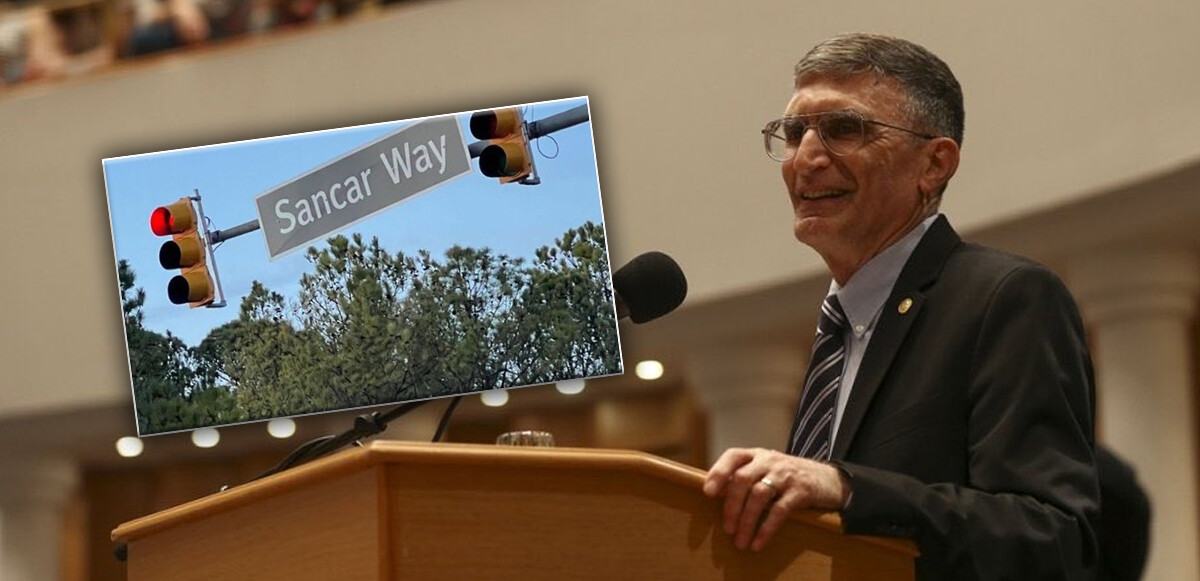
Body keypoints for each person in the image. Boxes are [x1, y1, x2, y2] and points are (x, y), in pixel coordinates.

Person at [702, 33, 1100, 581]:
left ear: (934, 164)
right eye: (794, 133)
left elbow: (1050, 538)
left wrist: (847, 488)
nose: (808, 158)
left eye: (844, 129)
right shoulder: (838, 329)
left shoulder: (1006, 297)